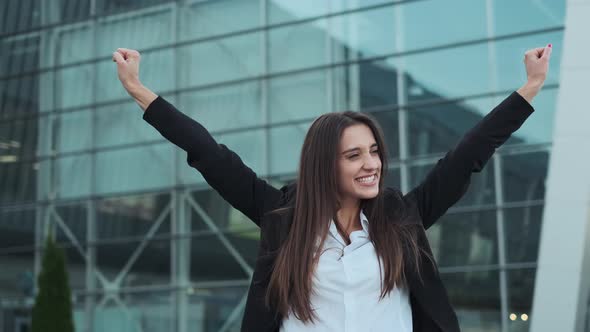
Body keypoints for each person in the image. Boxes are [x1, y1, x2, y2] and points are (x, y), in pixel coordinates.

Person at [113, 43, 552, 332]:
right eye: (354, 155)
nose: (372, 164)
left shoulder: (401, 217)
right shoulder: (282, 217)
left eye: (374, 151)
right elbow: (207, 153)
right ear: (325, 165)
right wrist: (138, 89)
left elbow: (466, 157)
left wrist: (529, 87)